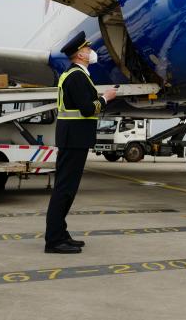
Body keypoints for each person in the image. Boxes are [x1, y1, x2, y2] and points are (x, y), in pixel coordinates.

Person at [45, 31, 117, 254]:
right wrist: (105, 98)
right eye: (88, 49)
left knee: (67, 189)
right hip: (73, 139)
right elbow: (87, 109)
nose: (91, 52)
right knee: (64, 190)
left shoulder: (75, 74)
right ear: (80, 55)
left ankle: (61, 233)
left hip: (73, 138)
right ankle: (54, 240)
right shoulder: (76, 76)